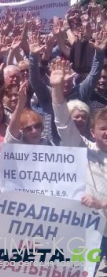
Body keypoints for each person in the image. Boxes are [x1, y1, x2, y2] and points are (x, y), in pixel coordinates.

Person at [50, 58, 107, 274]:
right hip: (91, 232)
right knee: (85, 273)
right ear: (92, 132)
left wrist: (102, 203)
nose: (106, 132)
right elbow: (64, 124)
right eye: (103, 128)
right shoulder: (85, 150)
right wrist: (57, 90)